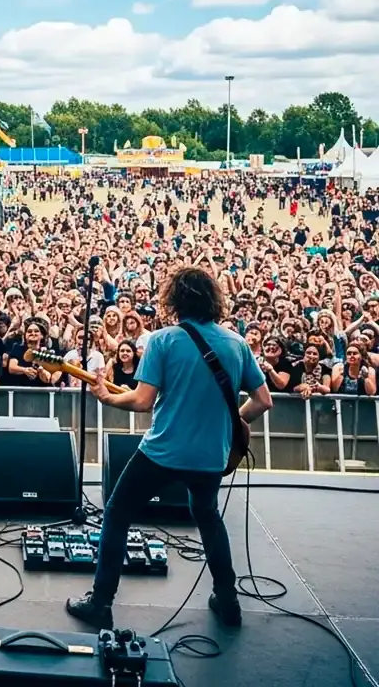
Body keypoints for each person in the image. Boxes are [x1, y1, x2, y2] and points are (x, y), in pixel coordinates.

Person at [66, 266, 272, 630]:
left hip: (163, 451)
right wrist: (234, 422)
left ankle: (101, 603)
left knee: (116, 514)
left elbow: (143, 401)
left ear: (174, 299)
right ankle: (228, 602)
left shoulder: (163, 340)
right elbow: (262, 400)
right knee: (207, 517)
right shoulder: (237, 343)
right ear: (213, 299)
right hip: (211, 456)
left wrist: (105, 397)